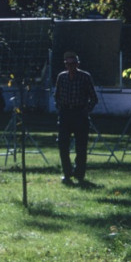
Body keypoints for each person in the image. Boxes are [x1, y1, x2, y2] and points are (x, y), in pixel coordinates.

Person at [53, 50, 98, 184]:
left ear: (77, 64)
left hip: (80, 114)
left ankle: (79, 174)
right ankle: (67, 173)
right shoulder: (61, 77)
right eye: (67, 64)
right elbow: (57, 96)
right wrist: (60, 108)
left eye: (73, 64)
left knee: (81, 146)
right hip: (65, 114)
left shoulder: (85, 77)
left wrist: (85, 111)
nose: (70, 66)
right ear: (65, 65)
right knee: (62, 145)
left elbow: (94, 98)